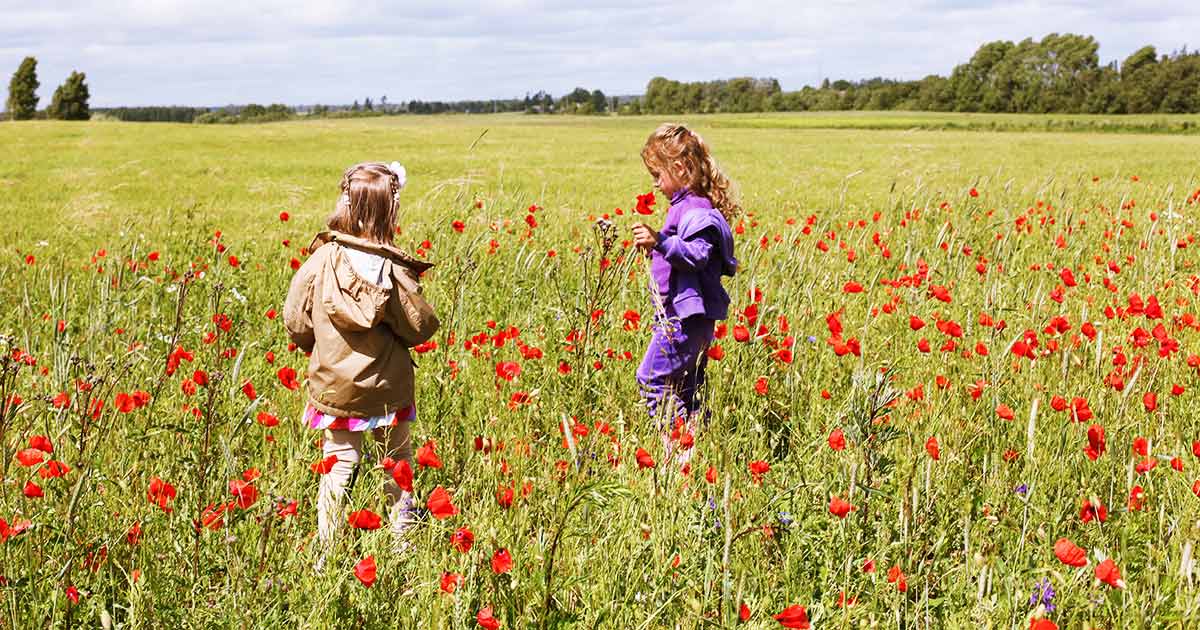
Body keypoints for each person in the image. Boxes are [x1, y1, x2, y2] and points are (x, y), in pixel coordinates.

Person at [283, 161, 439, 560]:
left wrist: (317, 346)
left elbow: (295, 321)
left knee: (337, 466)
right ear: (390, 210)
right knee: (397, 462)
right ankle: (402, 539)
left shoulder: (321, 260)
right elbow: (419, 327)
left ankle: (327, 552)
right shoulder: (393, 269)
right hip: (388, 389)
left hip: (335, 388)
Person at [630, 123, 739, 464]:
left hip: (684, 319)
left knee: (651, 379)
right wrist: (659, 250)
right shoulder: (686, 205)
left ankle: (681, 451)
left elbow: (697, 255)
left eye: (657, 174)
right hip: (683, 317)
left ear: (678, 168)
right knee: (686, 388)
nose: (655, 184)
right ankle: (696, 450)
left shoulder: (695, 210)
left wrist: (659, 241)